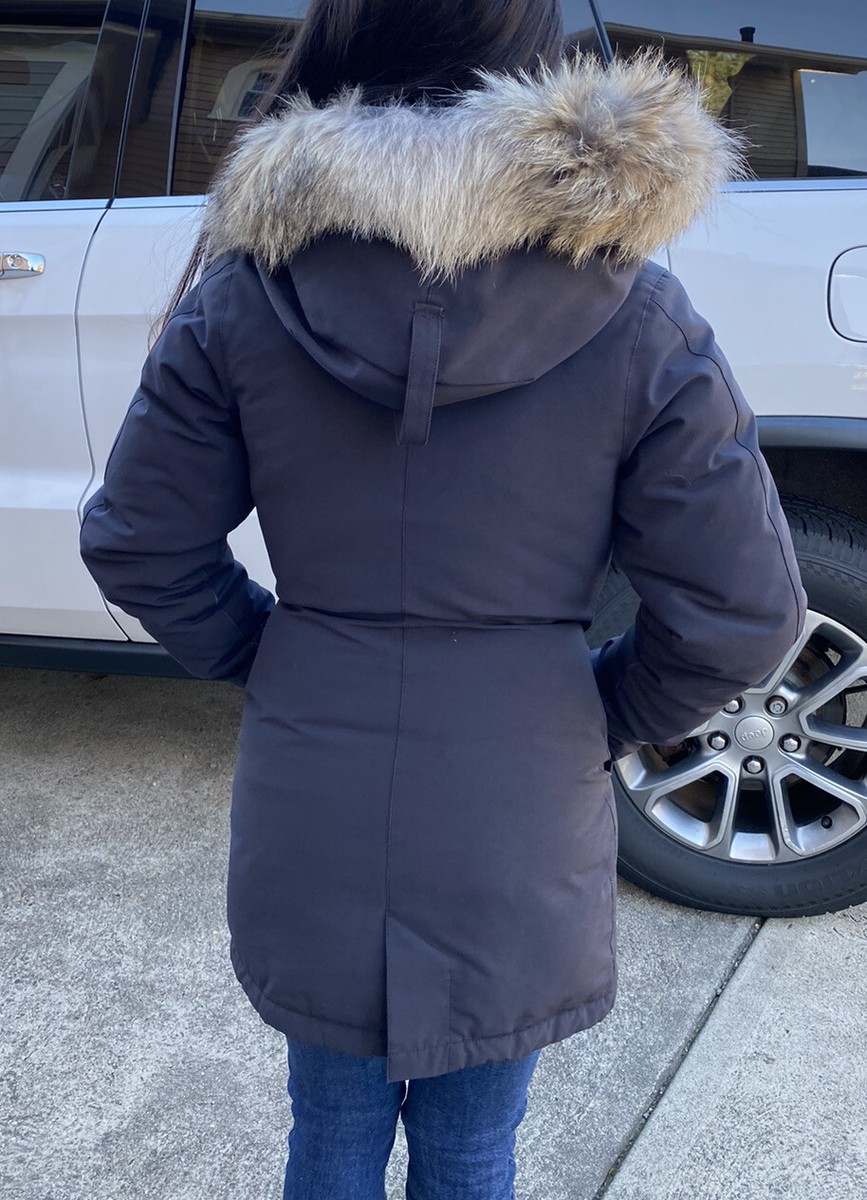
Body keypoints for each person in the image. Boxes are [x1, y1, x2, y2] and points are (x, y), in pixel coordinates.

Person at [79, 2, 806, 1197]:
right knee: (474, 1150)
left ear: (342, 45)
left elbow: (139, 542)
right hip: (522, 789)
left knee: (328, 1137)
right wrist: (600, 708)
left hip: (314, 773)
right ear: (538, 66)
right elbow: (745, 610)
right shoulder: (639, 314)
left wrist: (268, 653)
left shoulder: (244, 295)